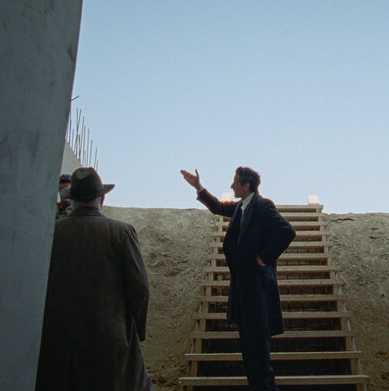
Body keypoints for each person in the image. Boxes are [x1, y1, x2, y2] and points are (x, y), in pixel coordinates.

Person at [36, 167, 154, 390]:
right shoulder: (121, 232)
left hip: (59, 343)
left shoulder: (52, 233)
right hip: (110, 342)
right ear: (102, 197)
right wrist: (135, 330)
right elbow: (140, 288)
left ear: (72, 199)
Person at [181, 167, 295, 391]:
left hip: (257, 292)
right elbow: (217, 207)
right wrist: (198, 187)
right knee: (250, 353)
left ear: (247, 186)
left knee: (259, 355)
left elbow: (287, 231)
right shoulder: (241, 208)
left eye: (235, 183)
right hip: (243, 293)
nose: (231, 186)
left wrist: (265, 257)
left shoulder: (262, 206)